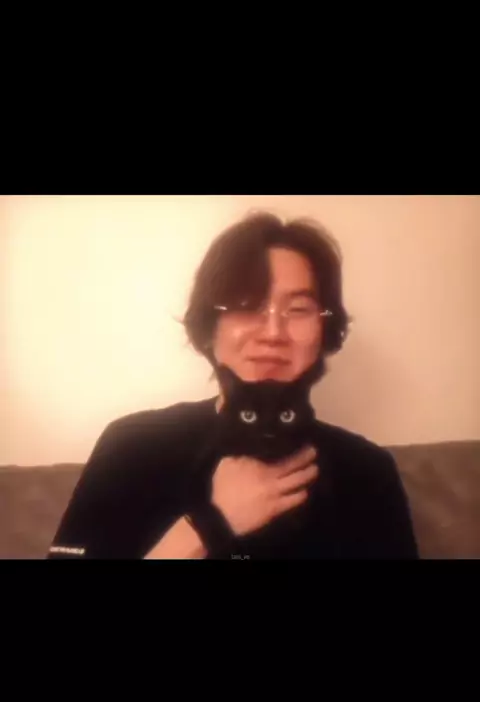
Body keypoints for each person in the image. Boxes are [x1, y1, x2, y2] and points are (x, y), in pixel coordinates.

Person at [47, 212, 419, 560]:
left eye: (298, 309)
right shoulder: (130, 446)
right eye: (247, 306)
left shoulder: (368, 471)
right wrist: (209, 525)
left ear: (324, 329)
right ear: (210, 327)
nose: (273, 332)